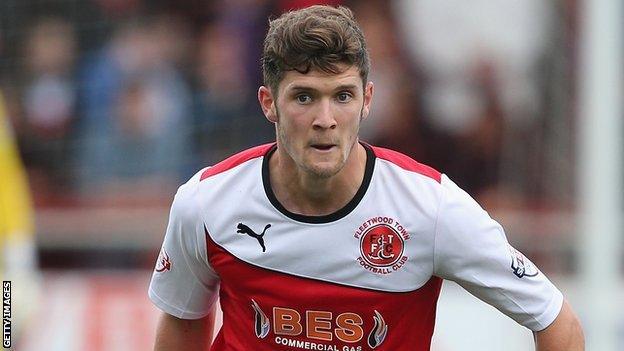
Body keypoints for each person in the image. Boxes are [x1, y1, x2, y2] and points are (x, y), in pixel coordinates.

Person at [149, 5, 584, 350]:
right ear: (268, 103)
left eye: (342, 96)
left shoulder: (430, 208)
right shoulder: (206, 203)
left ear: (367, 99)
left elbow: (556, 320)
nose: (326, 119)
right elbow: (183, 321)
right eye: (304, 97)